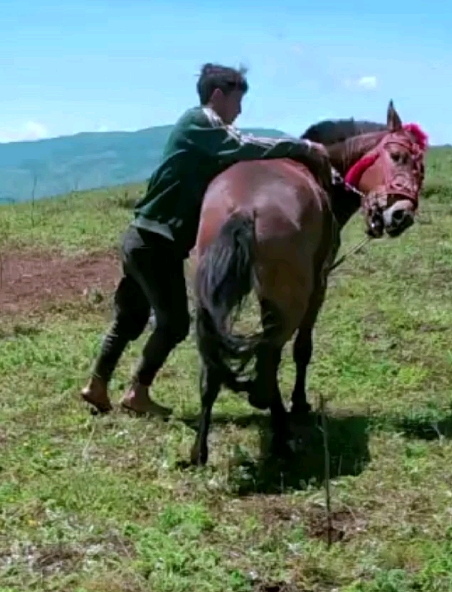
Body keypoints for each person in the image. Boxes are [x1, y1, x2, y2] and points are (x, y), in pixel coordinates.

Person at [80, 63, 339, 417]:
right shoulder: (200, 122)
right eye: (237, 102)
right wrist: (303, 146)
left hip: (141, 237)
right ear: (218, 96)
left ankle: (97, 385)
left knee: (131, 316)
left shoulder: (202, 132)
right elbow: (244, 144)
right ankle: (136, 393)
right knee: (173, 324)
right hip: (156, 243)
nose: (240, 112)